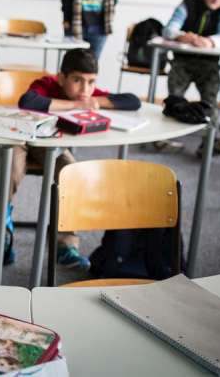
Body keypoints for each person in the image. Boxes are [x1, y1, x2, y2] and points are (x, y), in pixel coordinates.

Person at [11, 48, 141, 271]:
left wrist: (95, 100)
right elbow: (28, 101)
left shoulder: (87, 93)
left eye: (91, 82)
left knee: (70, 172)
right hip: (20, 139)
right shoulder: (46, 84)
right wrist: (75, 105)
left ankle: (65, 244)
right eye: (77, 80)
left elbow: (132, 101)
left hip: (50, 146)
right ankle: (2, 233)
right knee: (12, 170)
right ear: (61, 78)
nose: (85, 88)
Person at [163, 0, 220, 156]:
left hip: (208, 65)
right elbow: (169, 29)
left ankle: (209, 141)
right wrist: (183, 36)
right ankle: (163, 137)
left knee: (210, 103)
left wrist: (210, 41)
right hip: (183, 61)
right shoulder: (188, 3)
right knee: (175, 98)